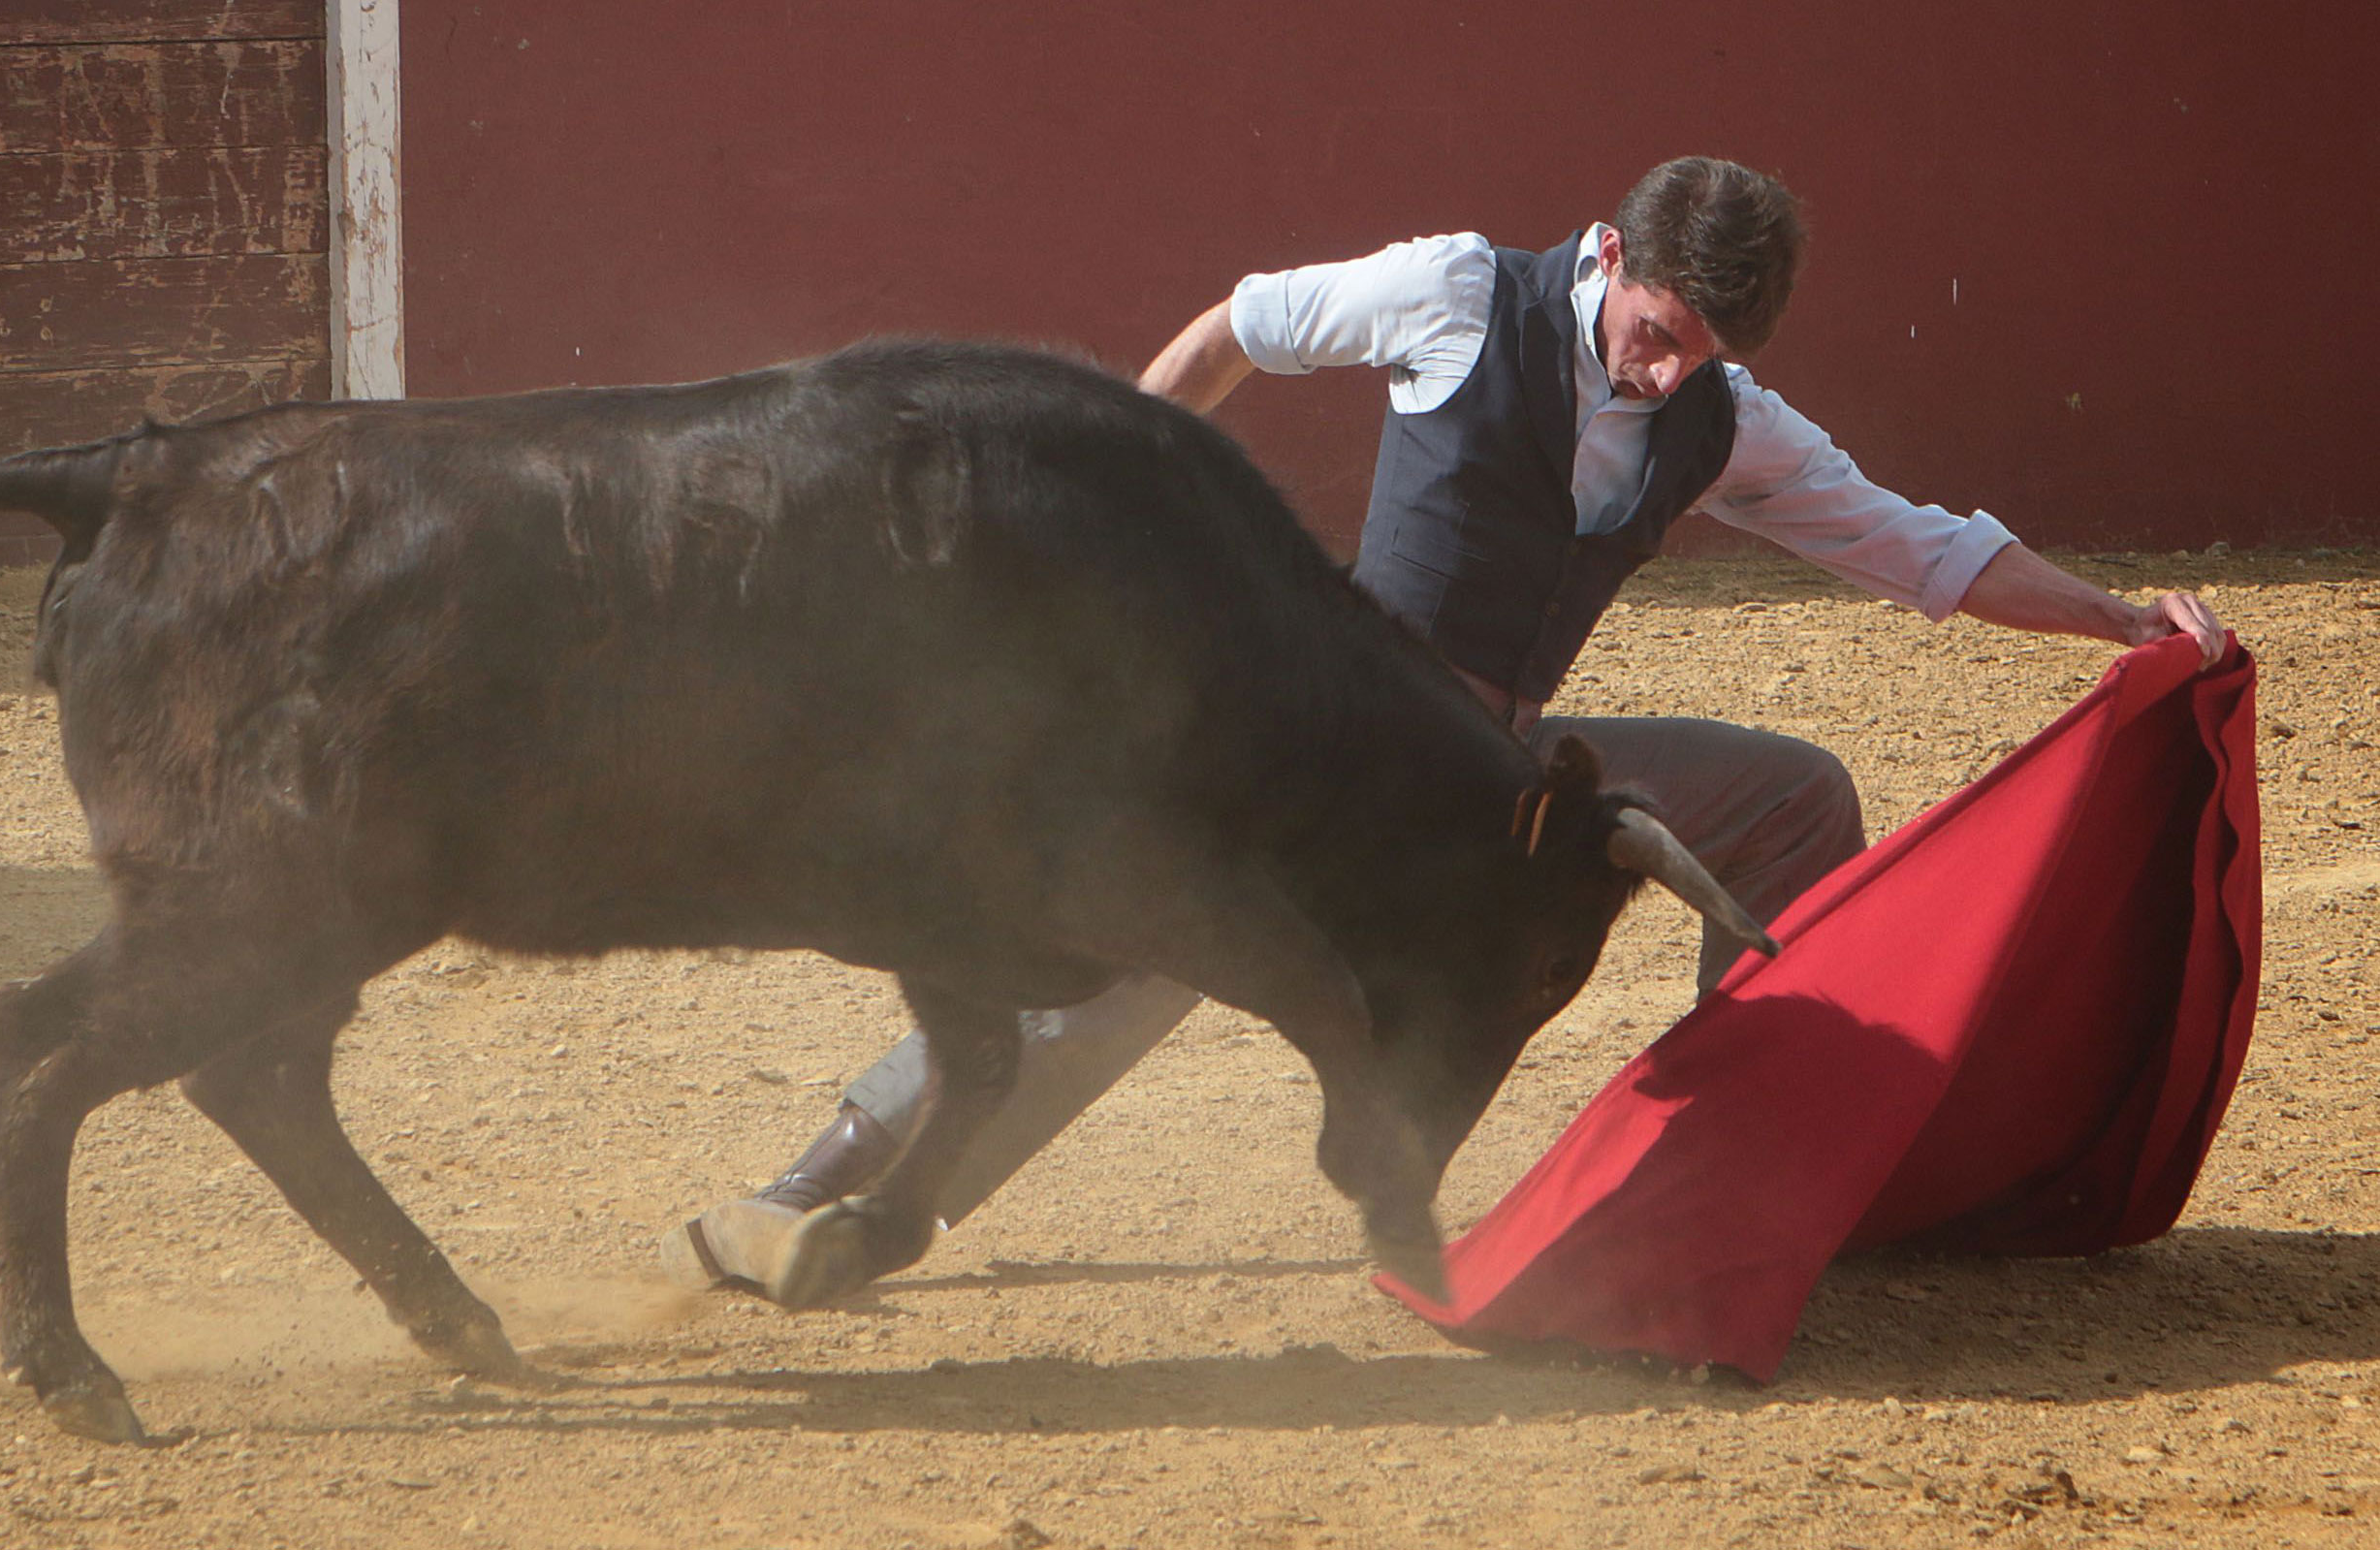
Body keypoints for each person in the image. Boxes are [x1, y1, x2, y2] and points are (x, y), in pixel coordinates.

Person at [664, 156, 2226, 1296]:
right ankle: (818, 1188)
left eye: (1704, 352)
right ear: (1610, 250)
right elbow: (1232, 330)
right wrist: (1104, 520)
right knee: (1125, 962)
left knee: (1795, 799)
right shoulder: (1458, 289)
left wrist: (2118, 617)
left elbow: (1918, 545)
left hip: (1505, 779)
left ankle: (1738, 1174)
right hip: (1328, 758)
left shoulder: (1724, 418)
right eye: (1660, 326)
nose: (1668, 365)